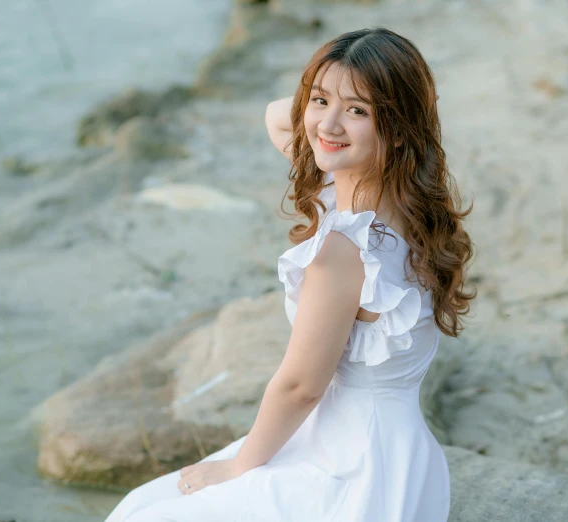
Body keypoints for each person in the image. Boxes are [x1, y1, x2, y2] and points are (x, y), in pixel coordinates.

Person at [104, 26, 475, 522]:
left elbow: (301, 385)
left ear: (400, 127)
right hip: (400, 456)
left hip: (346, 467)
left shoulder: (345, 249)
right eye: (319, 101)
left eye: (358, 111)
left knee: (142, 513)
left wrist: (239, 466)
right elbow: (278, 115)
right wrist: (340, 92)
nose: (330, 126)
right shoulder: (410, 205)